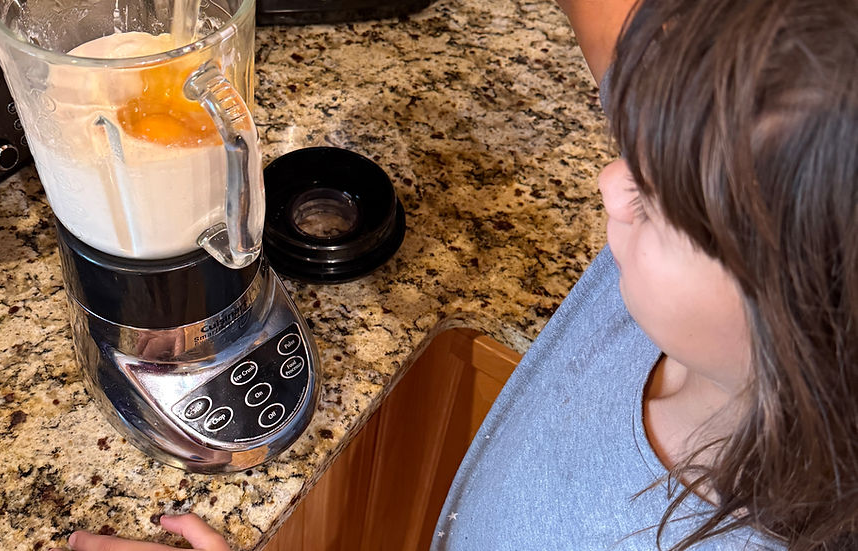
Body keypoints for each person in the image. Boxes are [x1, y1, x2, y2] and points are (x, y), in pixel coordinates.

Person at [58, 0, 858, 549]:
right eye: (634, 144)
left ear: (801, 315)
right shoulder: (764, 174)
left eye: (653, 198)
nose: (610, 183)